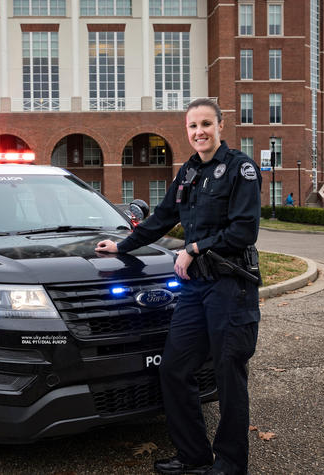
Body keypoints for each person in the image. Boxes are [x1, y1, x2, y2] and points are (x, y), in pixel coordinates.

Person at [96, 98, 261, 475]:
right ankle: (194, 456)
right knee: (174, 369)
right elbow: (163, 218)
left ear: (221, 126)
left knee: (228, 375)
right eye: (192, 126)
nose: (199, 132)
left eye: (206, 124)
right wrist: (122, 245)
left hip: (230, 287)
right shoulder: (187, 172)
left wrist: (193, 248)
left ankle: (231, 465)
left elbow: (243, 230)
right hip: (196, 289)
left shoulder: (241, 169)